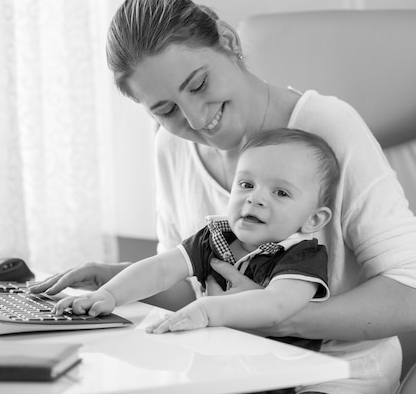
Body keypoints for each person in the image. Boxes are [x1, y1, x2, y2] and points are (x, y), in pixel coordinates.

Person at [30, 0, 416, 394]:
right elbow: (191, 284)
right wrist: (114, 285)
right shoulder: (171, 147)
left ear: (228, 41)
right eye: (165, 110)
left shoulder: (327, 127)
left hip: (334, 375)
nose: (196, 117)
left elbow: (415, 298)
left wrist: (276, 315)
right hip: (230, 370)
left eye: (199, 84)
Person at [52, 128, 339, 354]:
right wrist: (110, 295)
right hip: (210, 362)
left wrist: (206, 309)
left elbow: (276, 306)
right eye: (247, 184)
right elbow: (162, 269)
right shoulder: (213, 237)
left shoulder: (302, 256)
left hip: (277, 380)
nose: (255, 198)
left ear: (312, 220)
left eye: (281, 193)